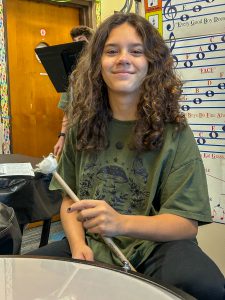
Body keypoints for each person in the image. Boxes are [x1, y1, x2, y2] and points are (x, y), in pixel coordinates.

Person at [29, 13, 225, 299]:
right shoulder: (80, 127)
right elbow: (70, 200)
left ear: (151, 64)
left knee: (207, 286)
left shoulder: (176, 133)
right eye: (111, 51)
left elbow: (185, 224)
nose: (123, 58)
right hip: (92, 243)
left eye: (136, 51)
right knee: (26, 275)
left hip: (155, 247)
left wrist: (119, 222)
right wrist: (76, 244)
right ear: (97, 64)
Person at [53, 25, 94, 157]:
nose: (77, 45)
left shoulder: (102, 70)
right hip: (74, 135)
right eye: (74, 42)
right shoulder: (72, 75)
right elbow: (67, 109)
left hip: (95, 135)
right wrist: (62, 136)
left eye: (81, 40)